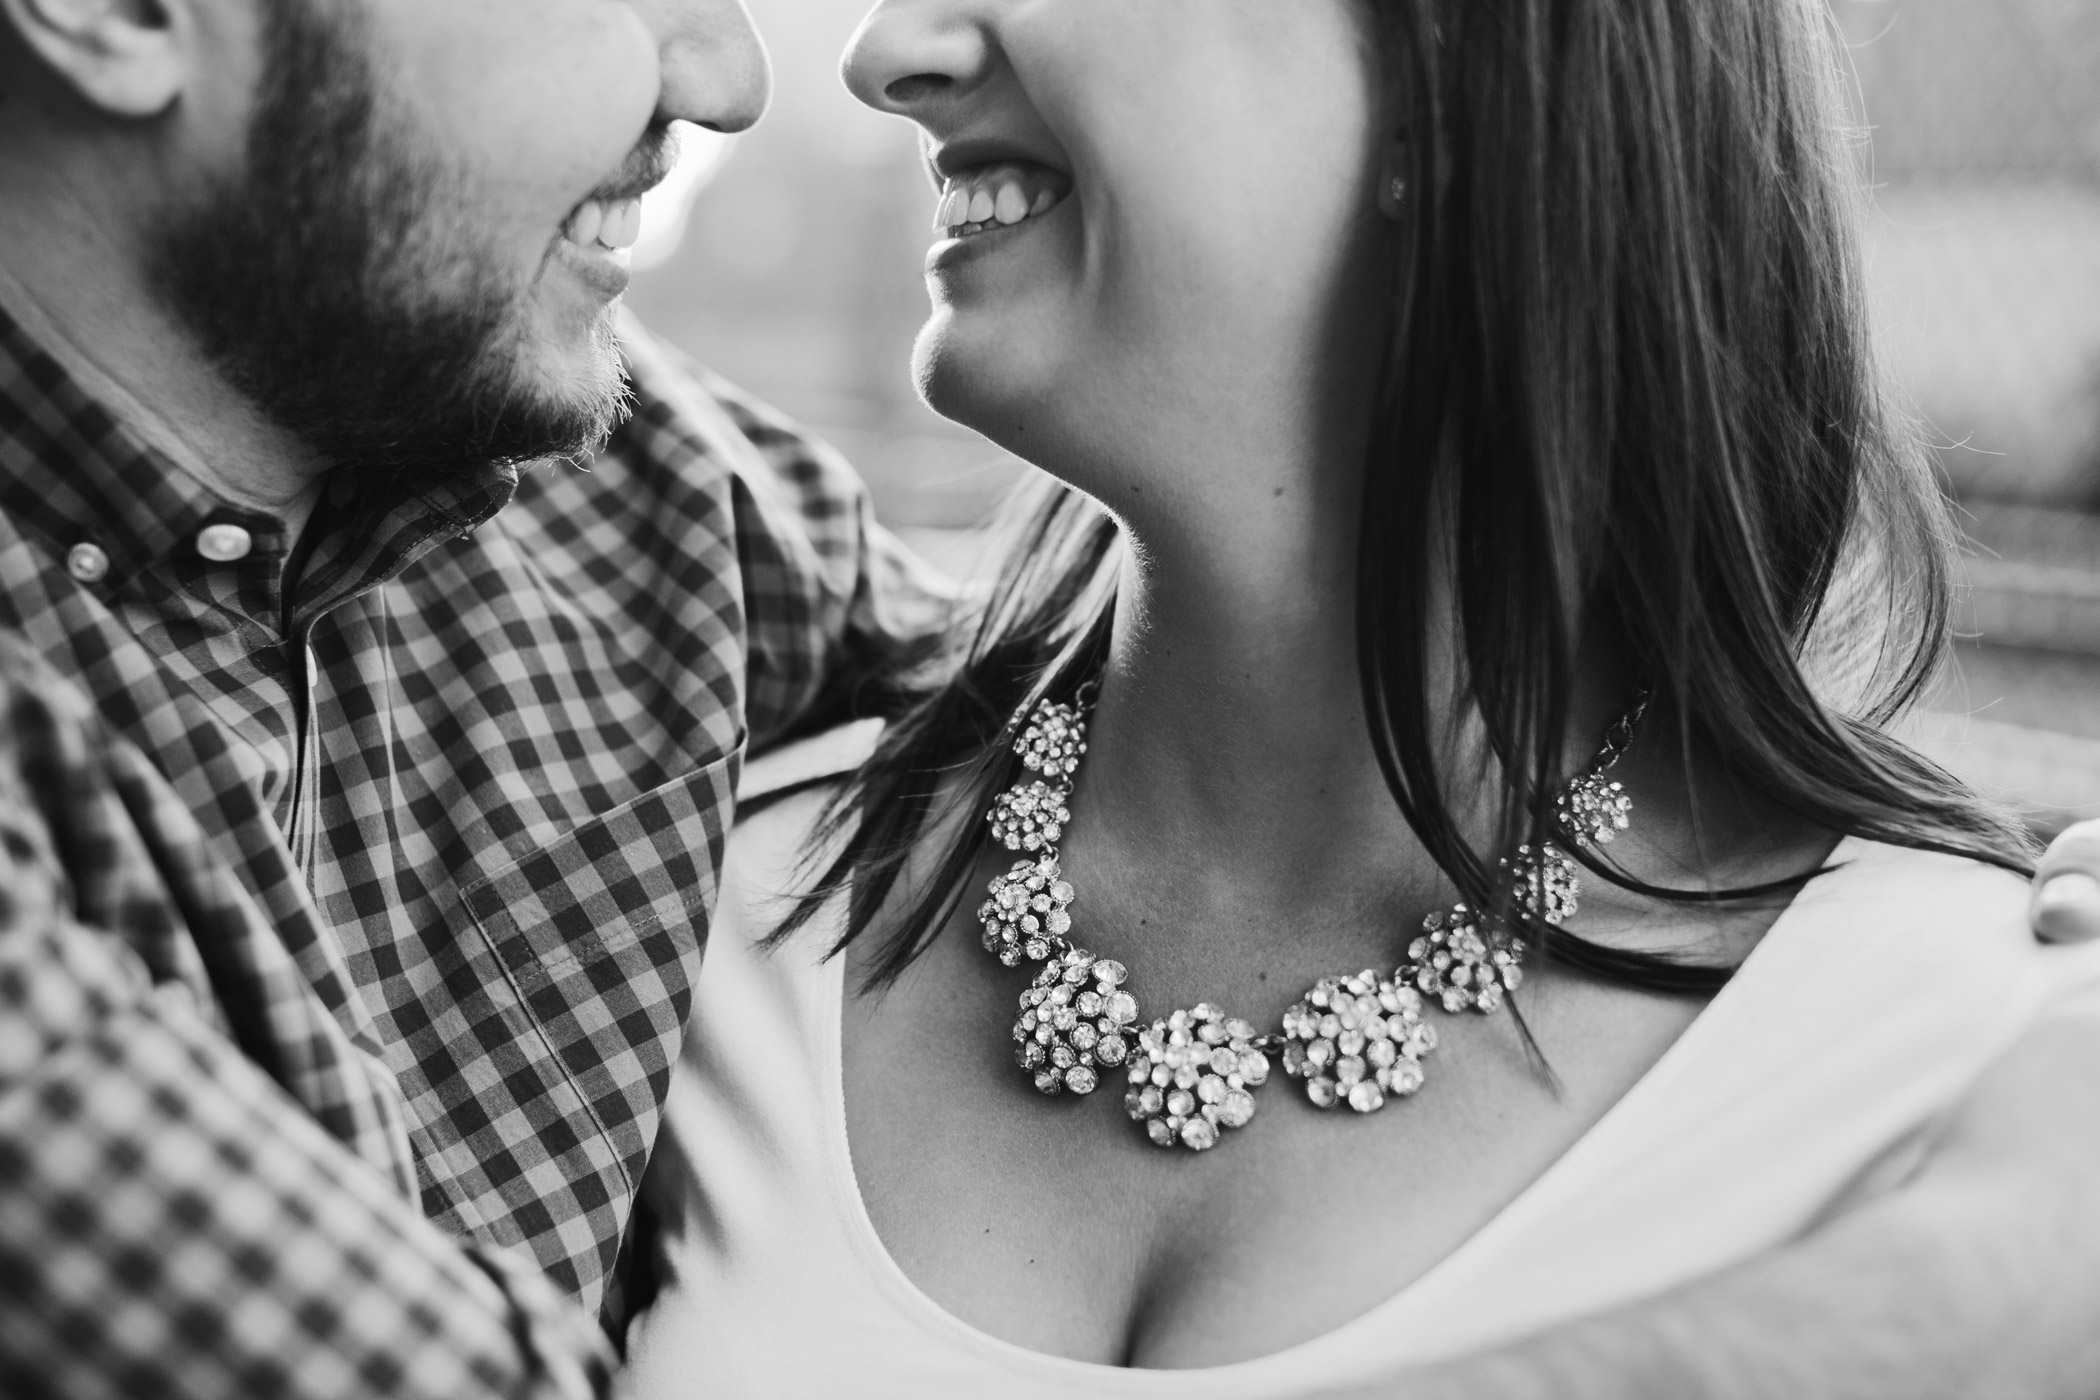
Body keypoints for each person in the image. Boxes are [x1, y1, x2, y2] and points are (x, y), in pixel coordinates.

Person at [0, 0, 2096, 1397]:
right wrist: (1997, 1281)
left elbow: (1308, 766)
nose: (778, 70)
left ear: (1483, 81)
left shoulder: (628, 560)